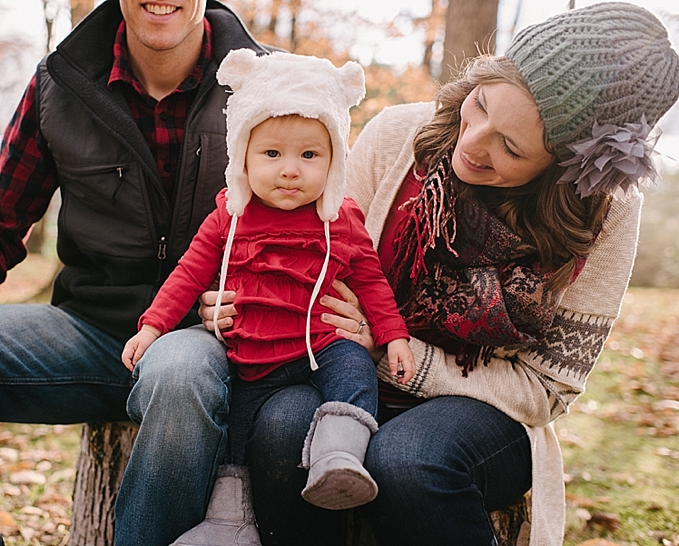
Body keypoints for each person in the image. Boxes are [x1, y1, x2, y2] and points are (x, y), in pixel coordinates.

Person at [190, 3, 679, 545]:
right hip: (342, 376)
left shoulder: (600, 216)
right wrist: (240, 297)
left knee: (410, 460)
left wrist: (404, 356)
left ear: (566, 169)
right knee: (282, 428)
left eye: (510, 146)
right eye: (481, 105)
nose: (472, 142)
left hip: (481, 414)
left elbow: (547, 390)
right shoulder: (399, 135)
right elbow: (307, 257)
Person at [0, 1, 273, 545]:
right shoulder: (60, 82)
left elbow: (318, 221)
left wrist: (248, 289)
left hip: (201, 340)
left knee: (178, 375)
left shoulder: (267, 83)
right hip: (91, 333)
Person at [123, 49, 414, 512]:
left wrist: (393, 335)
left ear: (334, 160)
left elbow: (372, 281)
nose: (290, 169)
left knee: (356, 371)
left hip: (323, 345)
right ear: (243, 156)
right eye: (272, 153)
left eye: (310, 154)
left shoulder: (339, 218)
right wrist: (153, 325)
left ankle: (338, 458)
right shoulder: (230, 216)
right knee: (235, 441)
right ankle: (227, 520)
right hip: (253, 357)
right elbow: (189, 272)